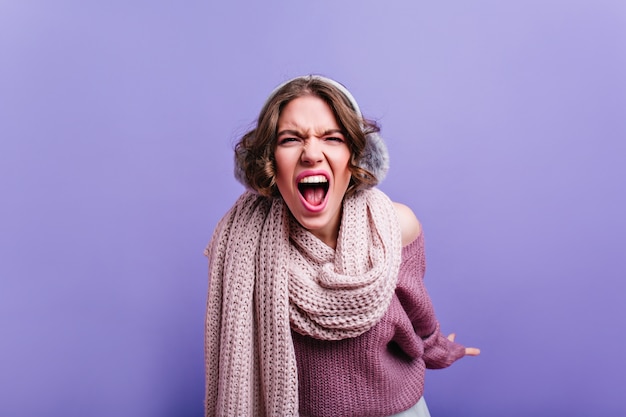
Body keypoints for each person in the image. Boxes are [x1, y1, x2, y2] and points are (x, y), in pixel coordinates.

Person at [204, 75, 480, 417]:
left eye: (331, 138)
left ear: (354, 156)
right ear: (271, 161)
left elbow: (419, 318)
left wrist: (442, 349)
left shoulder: (396, 226)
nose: (311, 154)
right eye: (291, 139)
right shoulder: (242, 244)